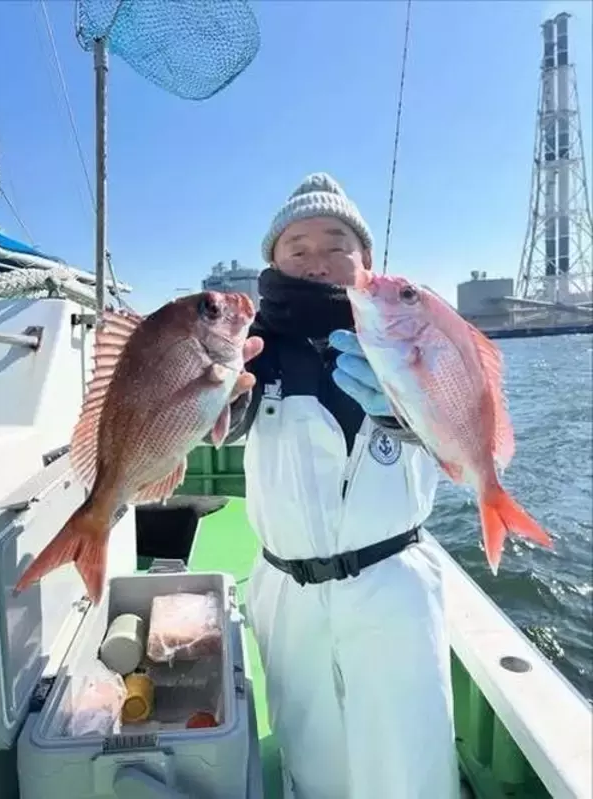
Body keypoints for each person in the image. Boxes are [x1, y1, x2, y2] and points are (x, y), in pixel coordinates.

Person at [220, 173, 460, 799]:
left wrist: (407, 411)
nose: (316, 260)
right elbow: (222, 420)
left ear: (367, 260)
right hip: (287, 590)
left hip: (393, 586)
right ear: (272, 261)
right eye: (296, 248)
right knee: (311, 756)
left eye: (335, 244)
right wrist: (216, 408)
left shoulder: (411, 330)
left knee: (408, 765)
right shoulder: (251, 346)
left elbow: (459, 431)